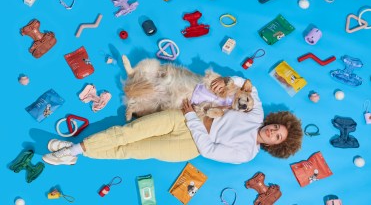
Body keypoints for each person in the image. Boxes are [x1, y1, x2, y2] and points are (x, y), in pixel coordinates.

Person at [42, 76, 303, 165]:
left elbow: (209, 151)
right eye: (277, 128)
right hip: (185, 117)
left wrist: (191, 118)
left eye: (278, 137)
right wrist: (228, 82)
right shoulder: (256, 113)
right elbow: (249, 86)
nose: (273, 132)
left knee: (129, 151)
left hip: (189, 144)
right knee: (128, 131)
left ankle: (74, 154)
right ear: (275, 121)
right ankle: (72, 150)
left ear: (275, 146)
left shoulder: (247, 154)